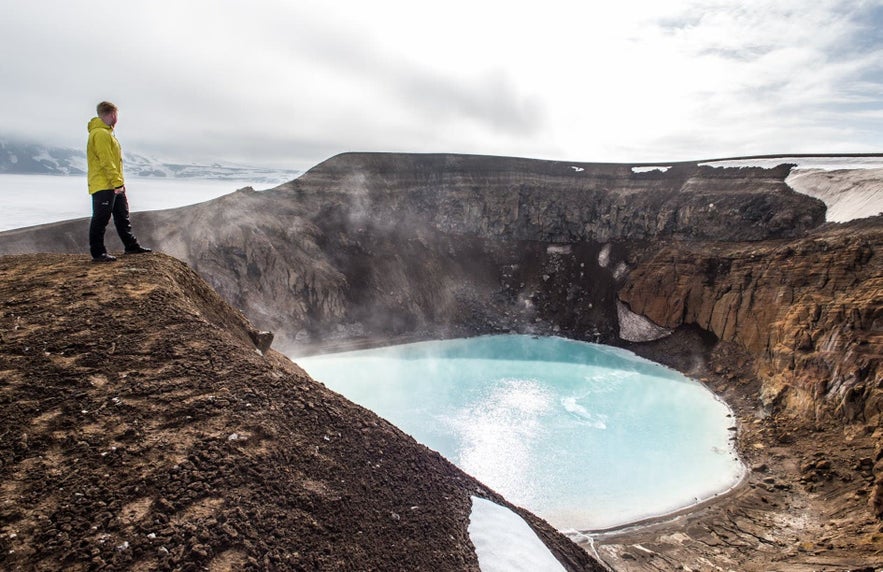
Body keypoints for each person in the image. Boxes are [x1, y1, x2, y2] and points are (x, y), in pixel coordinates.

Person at [87, 101, 151, 262]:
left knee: (122, 215)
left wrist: (118, 183)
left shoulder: (106, 133)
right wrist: (117, 183)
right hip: (104, 184)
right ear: (112, 114)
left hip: (112, 183)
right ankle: (98, 252)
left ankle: (131, 245)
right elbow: (106, 161)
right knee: (101, 219)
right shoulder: (101, 134)